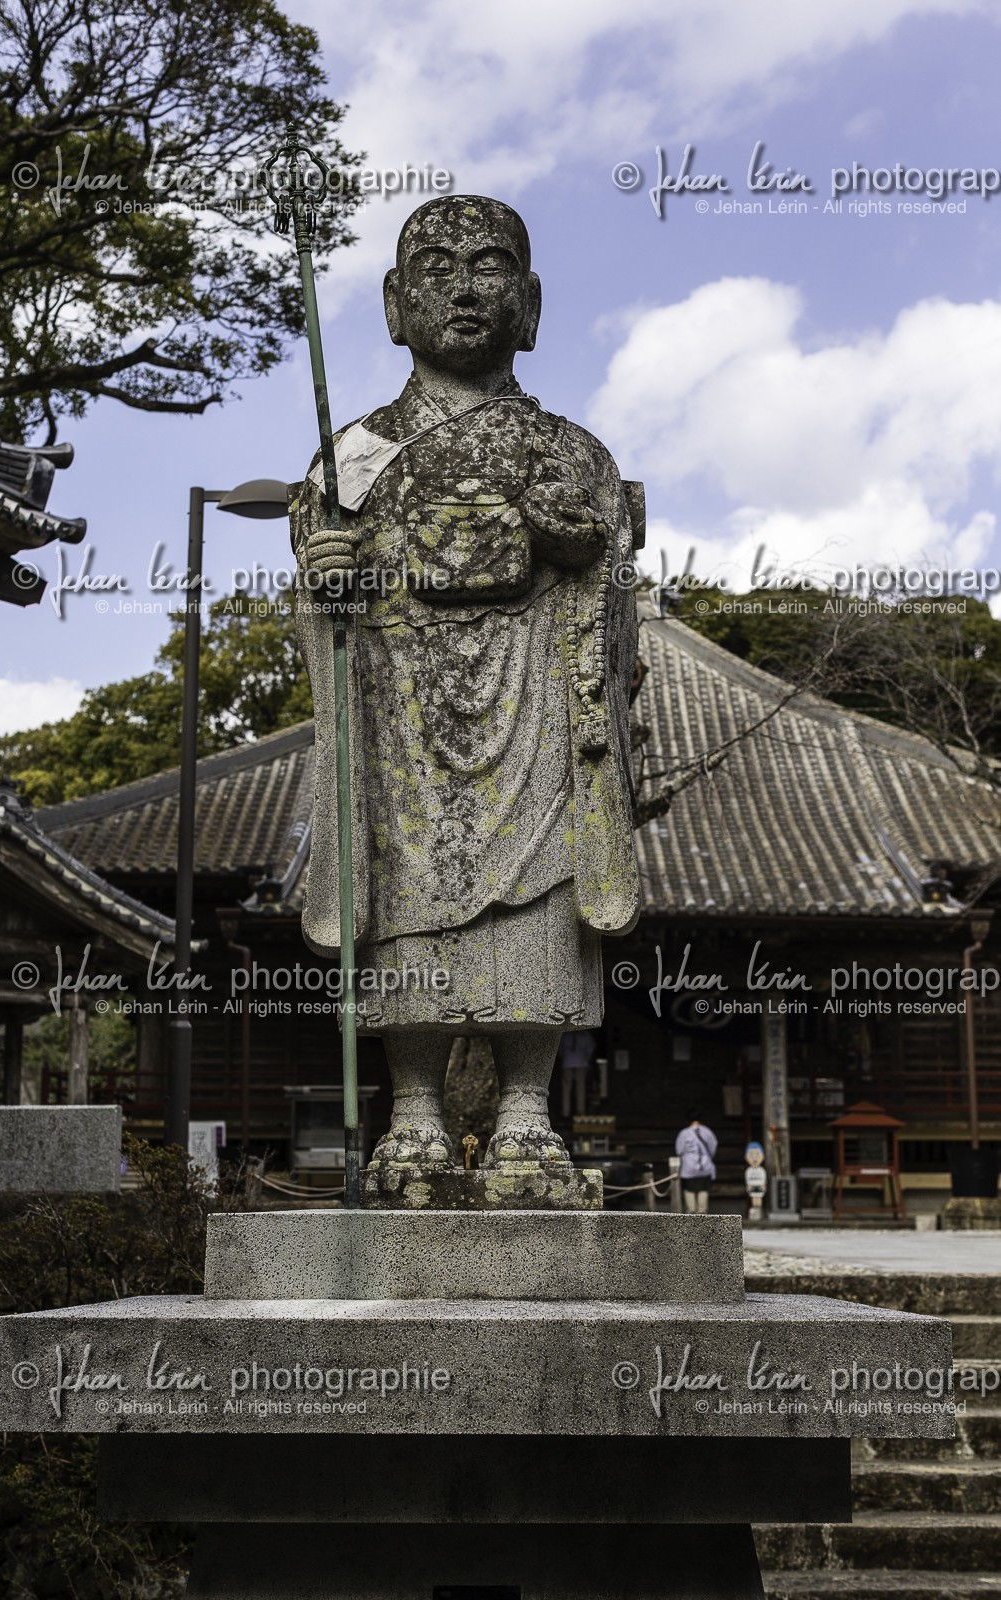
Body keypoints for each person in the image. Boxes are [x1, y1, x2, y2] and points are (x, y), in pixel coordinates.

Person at [293, 195, 643, 1175]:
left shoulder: (573, 454)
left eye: (487, 264)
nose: (461, 284)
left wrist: (587, 555)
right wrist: (326, 594)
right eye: (435, 266)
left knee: (540, 890)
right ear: (395, 303)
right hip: (400, 716)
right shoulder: (351, 456)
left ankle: (530, 1107)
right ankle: (410, 1109)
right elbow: (321, 592)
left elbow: (614, 597)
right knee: (405, 893)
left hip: (534, 702)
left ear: (528, 305)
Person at [675, 1112, 718, 1213]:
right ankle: (702, 1213)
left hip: (688, 1167)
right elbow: (713, 1147)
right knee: (703, 1189)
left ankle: (691, 1213)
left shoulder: (684, 1133)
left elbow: (679, 1150)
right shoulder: (707, 1132)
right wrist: (707, 1157)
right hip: (705, 1165)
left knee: (689, 1189)